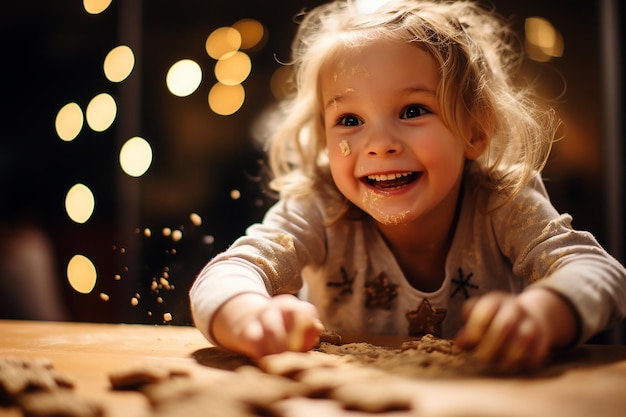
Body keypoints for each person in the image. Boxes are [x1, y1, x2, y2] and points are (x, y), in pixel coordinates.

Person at [189, 0, 626, 371]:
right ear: (325, 142)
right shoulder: (320, 205)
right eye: (350, 120)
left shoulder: (502, 202)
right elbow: (226, 274)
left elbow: (601, 273)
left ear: (473, 130)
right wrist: (250, 315)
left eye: (413, 111)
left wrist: (544, 313)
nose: (379, 144)